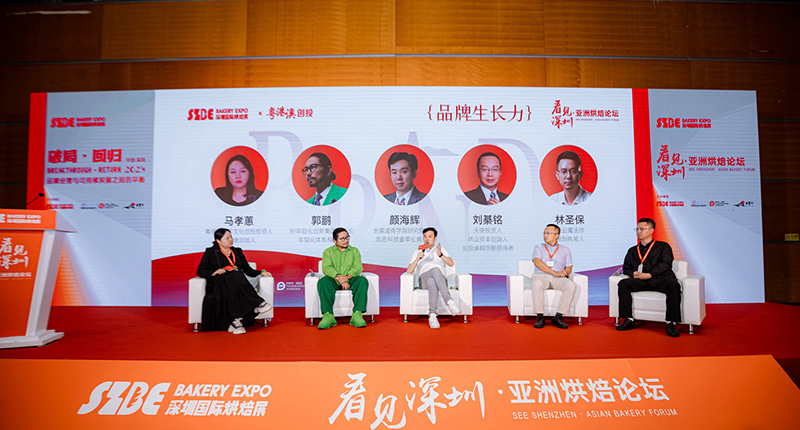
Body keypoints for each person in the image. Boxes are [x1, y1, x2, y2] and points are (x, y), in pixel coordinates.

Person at [196, 228, 272, 334]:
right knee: (236, 275)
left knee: (236, 275)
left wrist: (261, 272)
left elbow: (247, 270)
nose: (231, 240)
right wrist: (214, 272)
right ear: (218, 240)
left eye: (231, 237)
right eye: (227, 238)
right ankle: (258, 303)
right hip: (218, 284)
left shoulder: (237, 251)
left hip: (235, 283)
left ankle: (235, 322)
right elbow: (200, 271)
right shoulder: (211, 252)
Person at [616, 217, 682, 337]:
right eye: (637, 229)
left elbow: (666, 264)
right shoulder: (632, 250)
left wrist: (650, 274)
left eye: (642, 229)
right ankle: (628, 319)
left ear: (651, 230)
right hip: (641, 280)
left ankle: (671, 322)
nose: (639, 232)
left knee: (673, 285)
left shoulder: (663, 246)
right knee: (623, 284)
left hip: (661, 279)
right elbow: (626, 267)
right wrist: (633, 273)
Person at [406, 227, 459, 329]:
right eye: (425, 236)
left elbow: (451, 263)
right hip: (423, 280)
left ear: (435, 238)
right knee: (434, 270)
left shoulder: (441, 250)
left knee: (432, 280)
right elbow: (409, 270)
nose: (427, 239)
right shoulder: (418, 251)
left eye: (430, 236)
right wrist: (418, 258)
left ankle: (433, 316)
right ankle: (449, 302)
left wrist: (440, 255)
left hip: (440, 280)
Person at [317, 227, 369, 329]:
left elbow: (358, 267)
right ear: (335, 240)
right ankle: (328, 315)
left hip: (351, 279)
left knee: (362, 281)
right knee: (323, 282)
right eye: (342, 238)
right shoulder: (328, 252)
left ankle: (357, 314)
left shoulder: (354, 251)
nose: (346, 240)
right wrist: (341, 280)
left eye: (347, 237)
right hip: (334, 280)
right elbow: (327, 268)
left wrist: (347, 277)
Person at [530, 224, 577, 329]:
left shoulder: (565, 249)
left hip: (558, 278)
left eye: (548, 233)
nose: (545, 235)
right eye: (544, 233)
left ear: (556, 235)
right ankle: (540, 317)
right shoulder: (539, 247)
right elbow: (537, 262)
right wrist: (553, 272)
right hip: (542, 276)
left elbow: (569, 267)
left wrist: (565, 272)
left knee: (571, 285)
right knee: (536, 283)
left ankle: (558, 317)